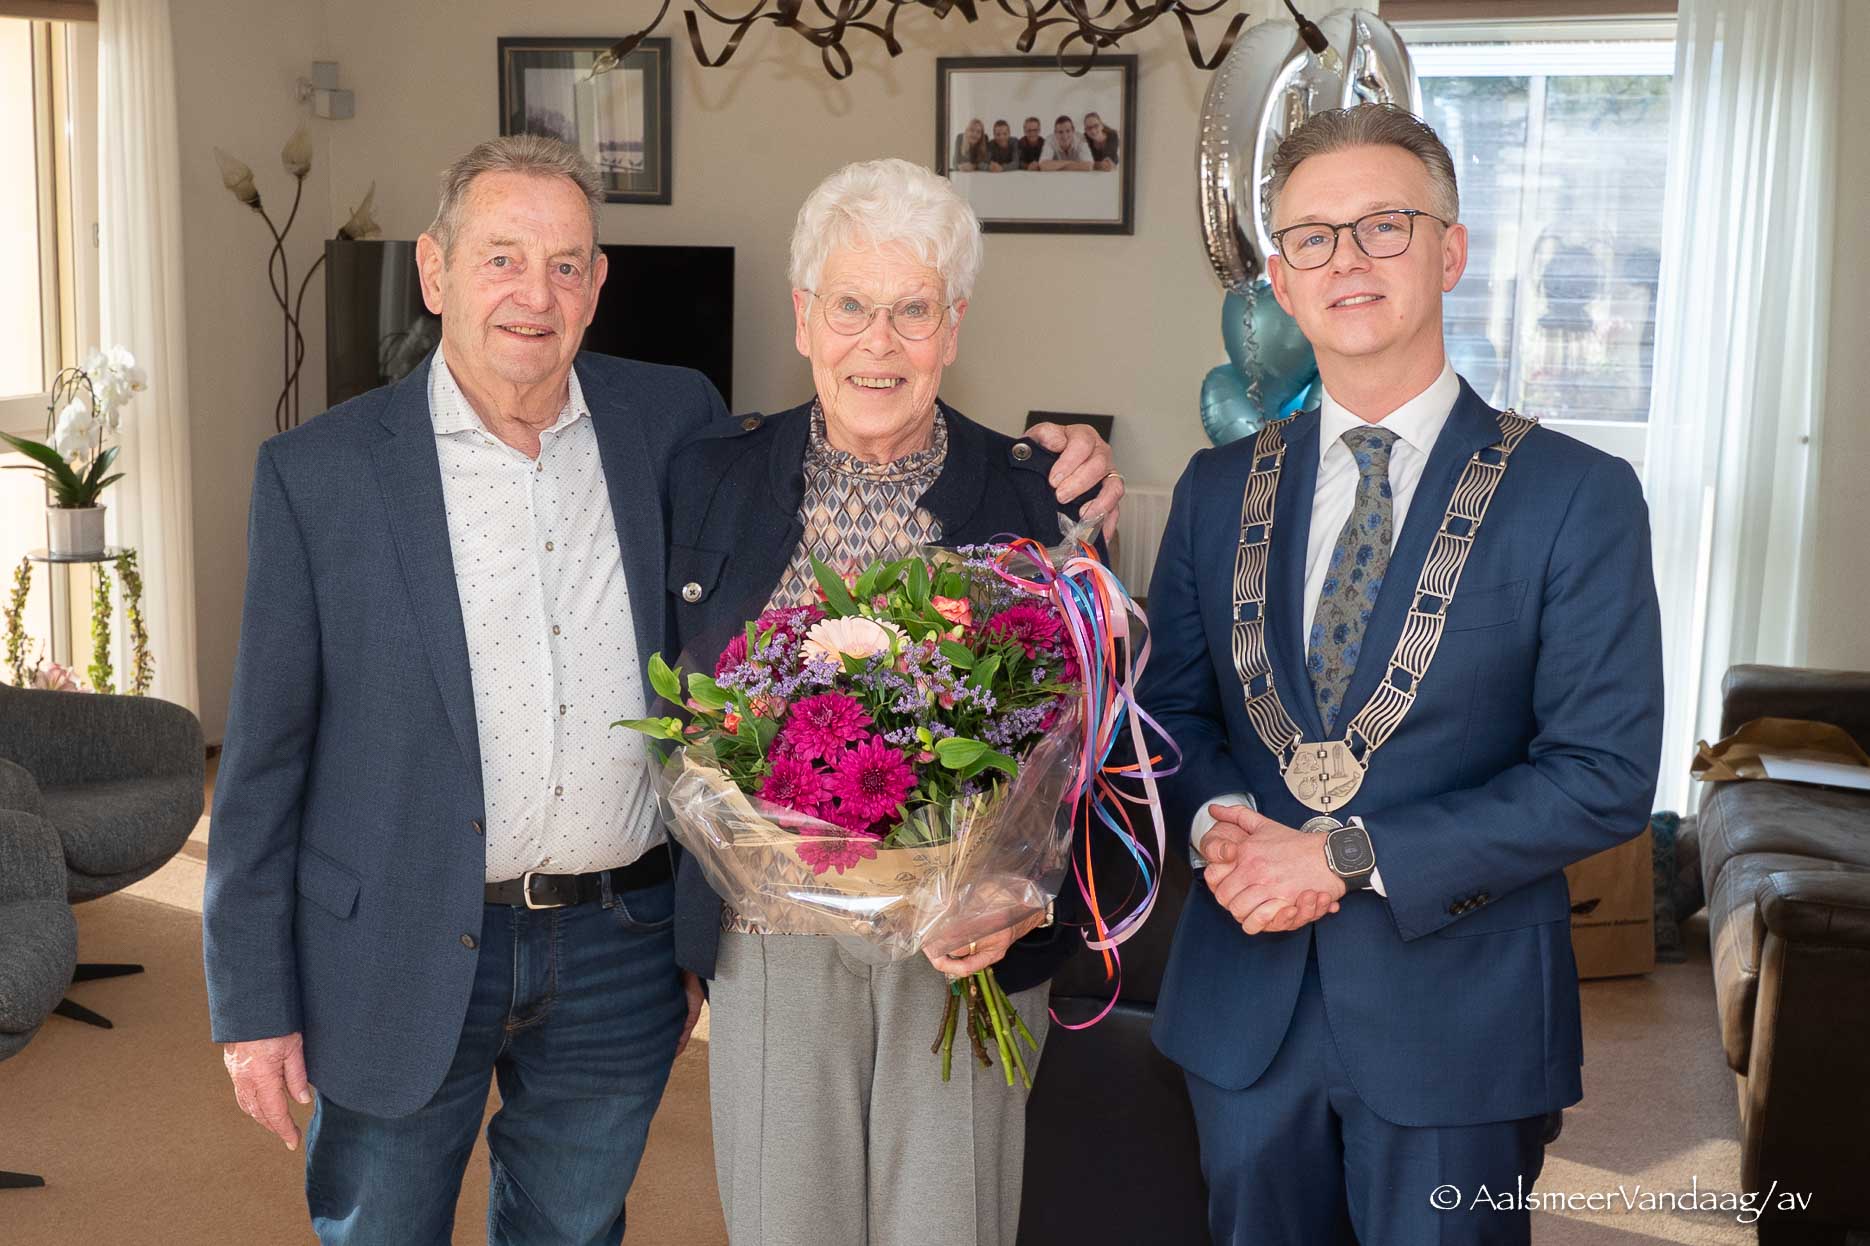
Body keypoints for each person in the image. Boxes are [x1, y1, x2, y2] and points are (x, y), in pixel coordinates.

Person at [202, 134, 1121, 1246]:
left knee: (573, 1224)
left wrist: (1076, 461)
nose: (533, 296)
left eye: (565, 264)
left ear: (597, 286)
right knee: (381, 1225)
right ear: (435, 273)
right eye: (502, 259)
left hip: (618, 940)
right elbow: (261, 759)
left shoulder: (670, 427)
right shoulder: (321, 473)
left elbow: (1081, 744)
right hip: (402, 935)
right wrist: (252, 1001)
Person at [1137, 103, 1662, 1246]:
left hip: (1459, 1025)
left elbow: (1602, 774)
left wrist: (1337, 855)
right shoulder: (1215, 487)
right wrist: (1224, 823)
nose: (1348, 261)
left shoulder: (1576, 494)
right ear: (1278, 279)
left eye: (1383, 225)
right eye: (1312, 238)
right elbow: (1169, 712)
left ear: (1450, 250)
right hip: (1243, 1018)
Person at [665, 157, 1116, 1246]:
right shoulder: (706, 477)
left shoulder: (1033, 497)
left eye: (912, 309)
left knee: (945, 1226)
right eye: (851, 306)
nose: (880, 341)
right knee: (787, 1225)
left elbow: (1084, 751)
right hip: (769, 942)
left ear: (952, 327)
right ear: (803, 318)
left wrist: (1019, 902)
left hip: (960, 950)